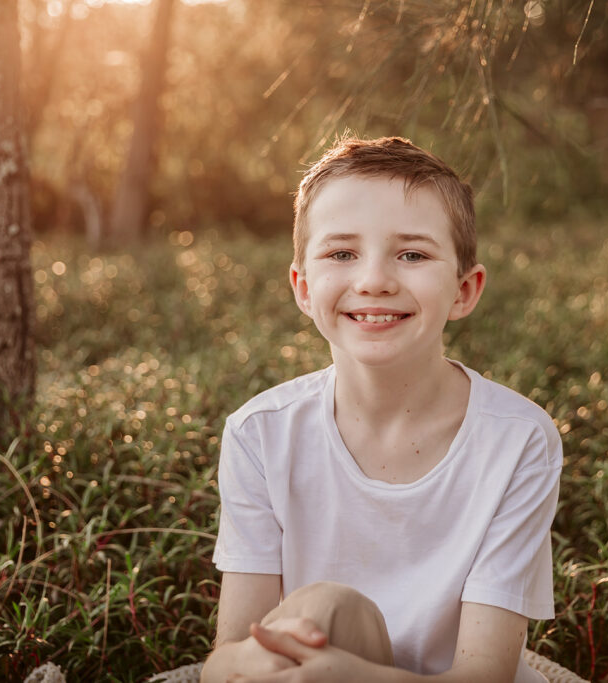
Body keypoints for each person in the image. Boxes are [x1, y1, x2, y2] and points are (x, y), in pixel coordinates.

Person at [200, 136, 563, 683]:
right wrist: (258, 663)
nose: (373, 280)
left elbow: (483, 676)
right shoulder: (260, 434)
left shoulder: (518, 441)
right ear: (302, 287)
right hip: (307, 668)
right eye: (342, 253)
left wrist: (350, 677)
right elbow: (224, 659)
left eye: (412, 254)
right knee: (323, 607)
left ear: (465, 290)